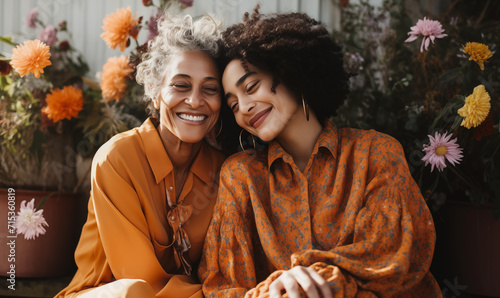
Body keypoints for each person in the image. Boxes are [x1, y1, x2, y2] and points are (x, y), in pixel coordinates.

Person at [199, 8, 442, 298]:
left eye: (251, 87)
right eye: (234, 105)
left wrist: (310, 277)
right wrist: (276, 291)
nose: (245, 108)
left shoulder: (376, 153)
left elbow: (391, 255)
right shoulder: (240, 177)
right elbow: (222, 285)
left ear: (291, 71)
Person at [56, 12, 226, 298]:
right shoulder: (117, 159)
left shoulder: (225, 171)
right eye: (180, 85)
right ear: (154, 90)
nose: (196, 101)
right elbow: (140, 278)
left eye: (210, 89)